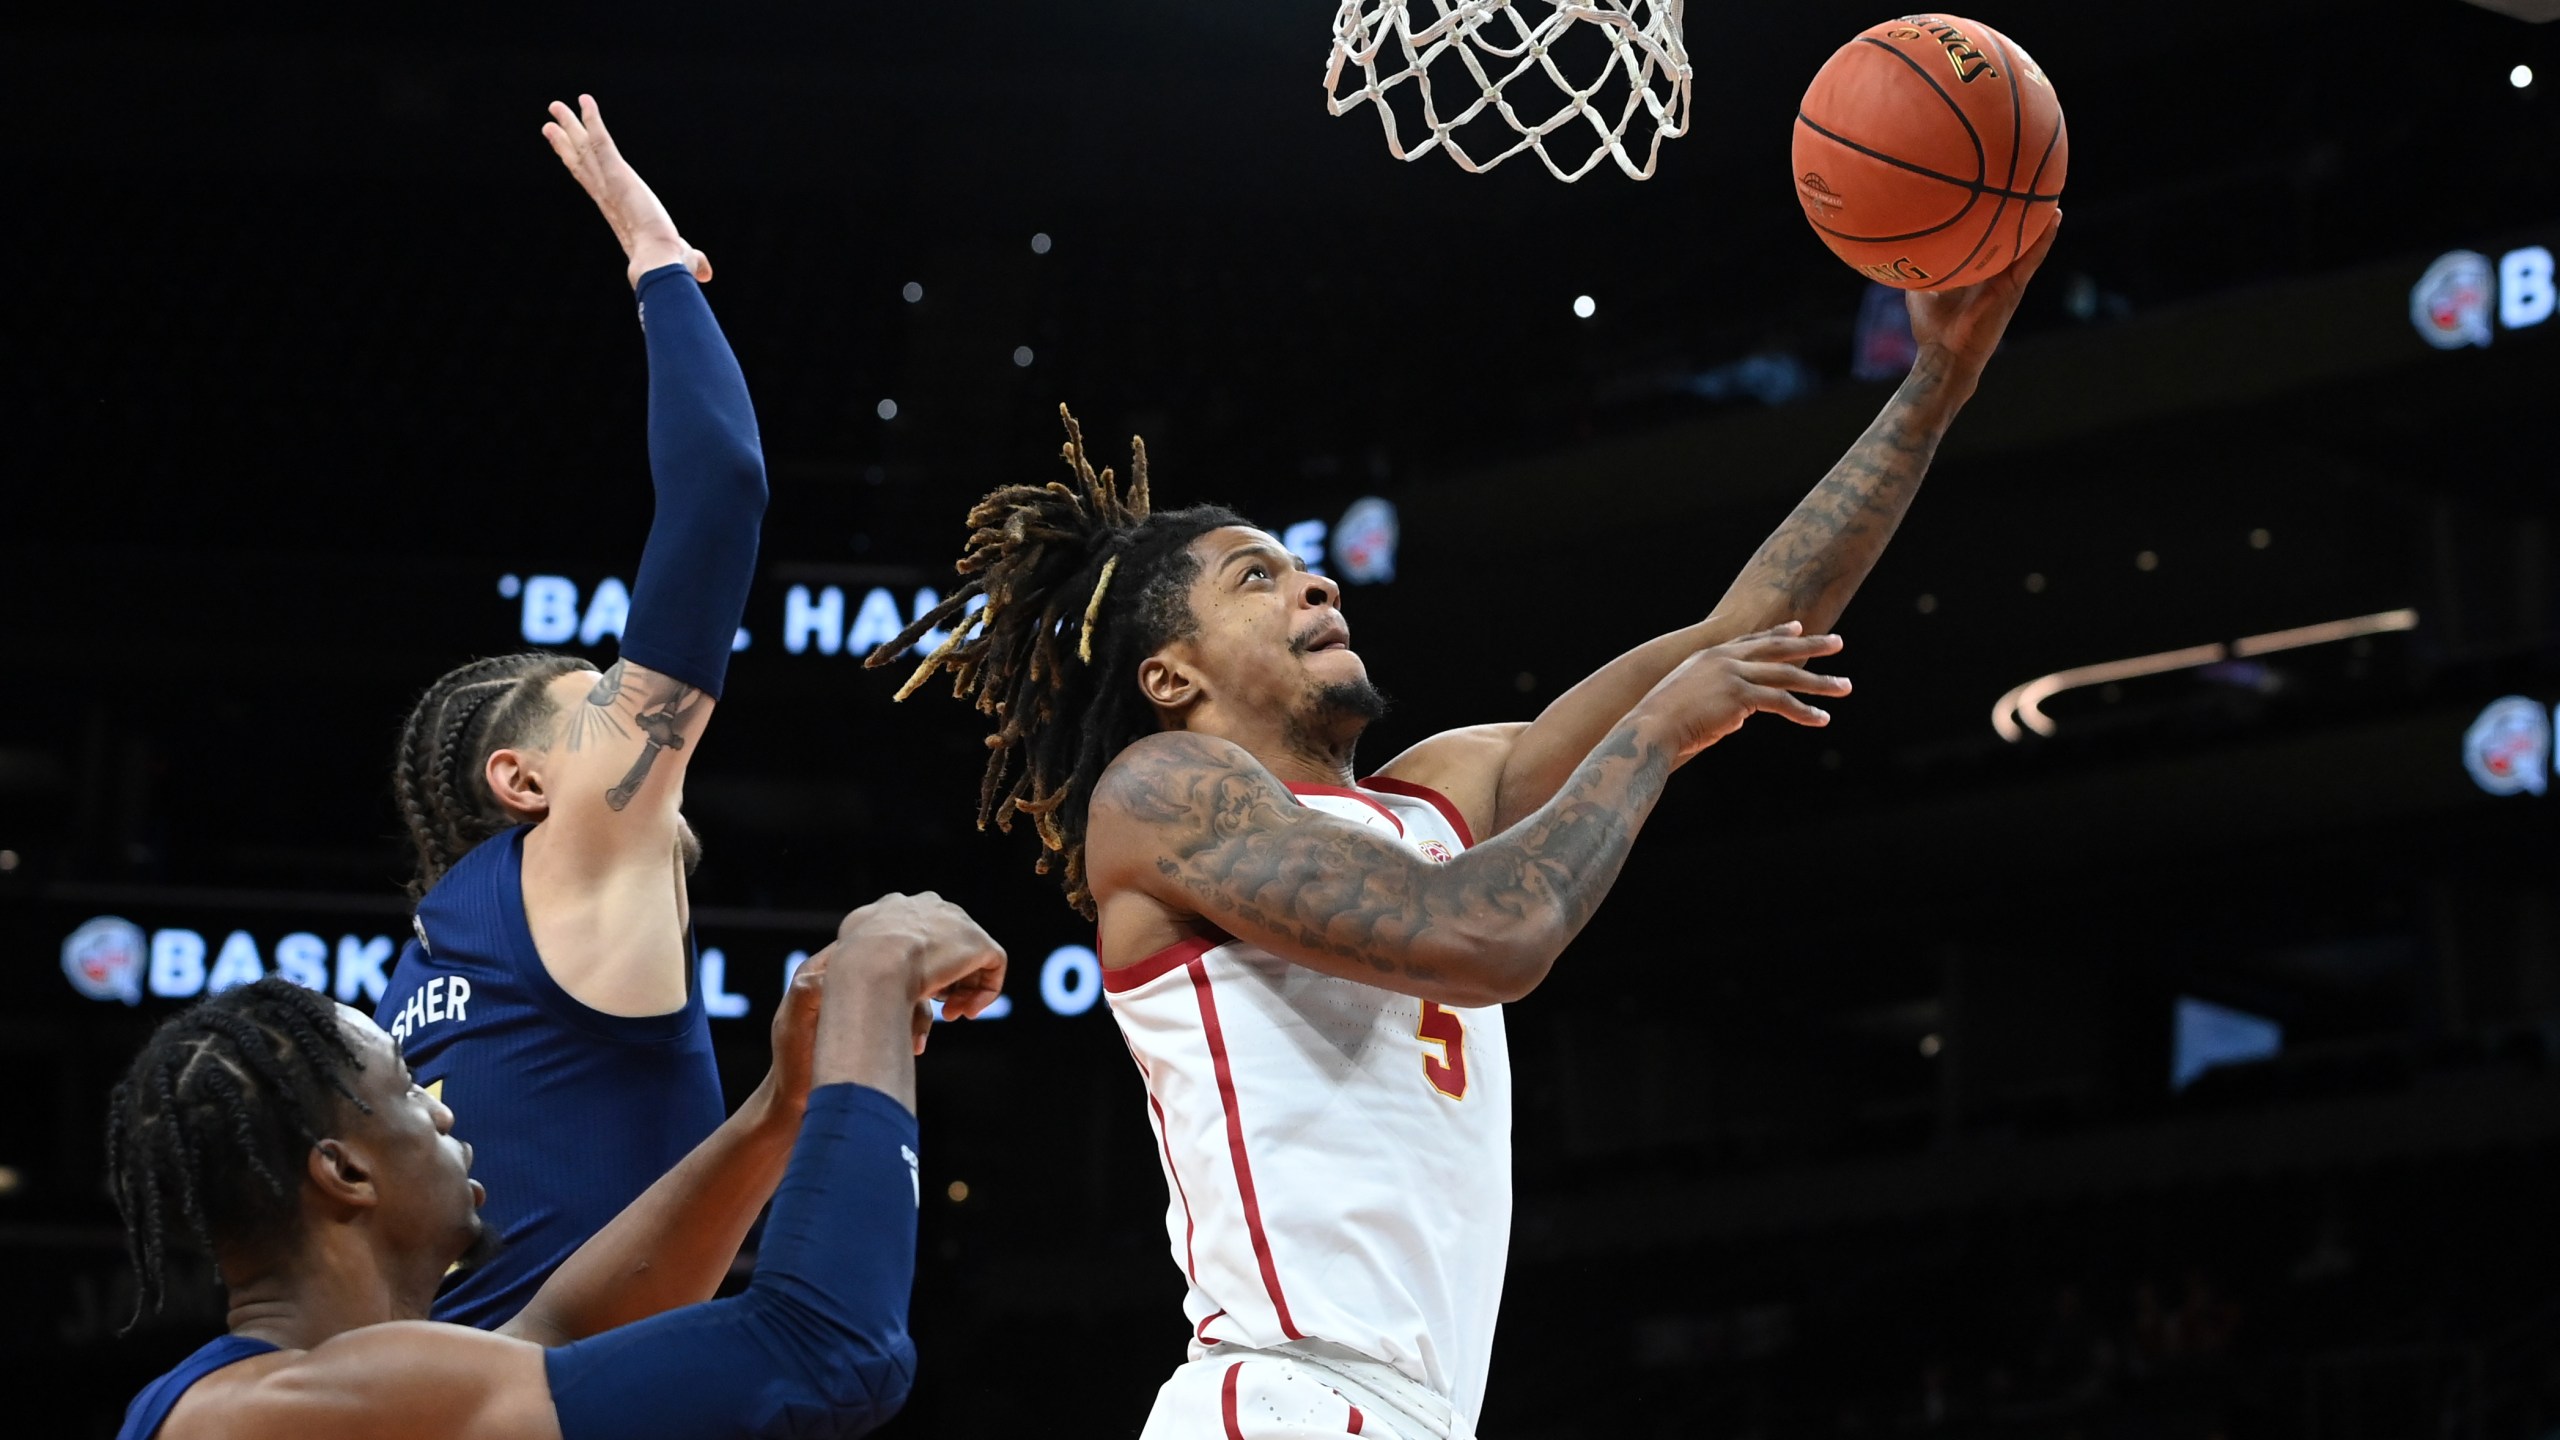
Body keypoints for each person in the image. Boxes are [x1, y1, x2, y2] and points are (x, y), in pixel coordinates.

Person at [874, 222, 2058, 1439]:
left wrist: (1934, 387)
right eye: (1257, 578)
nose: (1315, 584)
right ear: (1170, 677)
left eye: (1303, 568)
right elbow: (1485, 939)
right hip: (1281, 1395)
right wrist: (1652, 737)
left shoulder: (1440, 790)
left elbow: (1751, 631)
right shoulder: (1164, 793)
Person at [375, 95, 773, 1328]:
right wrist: (656, 255)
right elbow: (720, 490)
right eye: (591, 706)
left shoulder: (425, 963)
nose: (632, 715)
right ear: (524, 781)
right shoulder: (578, 848)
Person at [108, 893, 1005, 1440]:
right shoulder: (273, 1412)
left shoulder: (317, 1398)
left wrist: (784, 1109)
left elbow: (562, 1337)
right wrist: (876, 975)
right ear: (343, 1173)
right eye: (411, 1090)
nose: (445, 1109)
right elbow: (833, 1356)